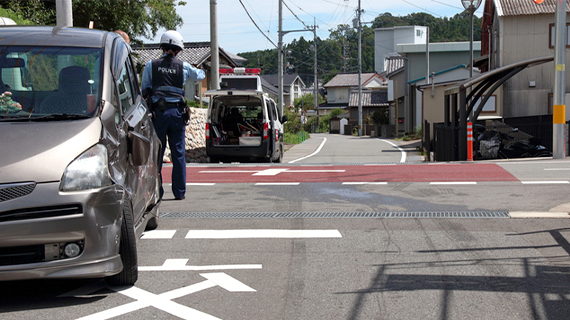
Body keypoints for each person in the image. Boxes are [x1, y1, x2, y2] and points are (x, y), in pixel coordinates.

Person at [141, 30, 205, 200]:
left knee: (157, 155)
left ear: (162, 46)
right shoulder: (183, 67)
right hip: (177, 114)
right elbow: (200, 75)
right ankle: (179, 192)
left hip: (158, 114)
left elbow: (144, 90)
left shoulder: (151, 65)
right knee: (178, 154)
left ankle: (157, 192)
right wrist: (198, 69)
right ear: (178, 49)